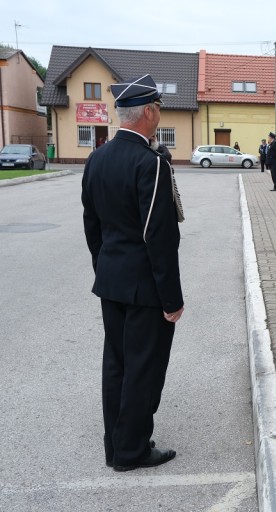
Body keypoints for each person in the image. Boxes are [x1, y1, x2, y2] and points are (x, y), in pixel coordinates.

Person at [81, 74, 183, 472]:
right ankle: (132, 451)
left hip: (112, 281)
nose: (158, 116)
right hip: (145, 288)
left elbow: (93, 226)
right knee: (144, 369)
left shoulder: (97, 158)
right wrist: (172, 299)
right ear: (150, 113)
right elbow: (158, 237)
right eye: (158, 110)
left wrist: (104, 268)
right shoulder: (151, 163)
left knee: (117, 365)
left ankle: (117, 444)